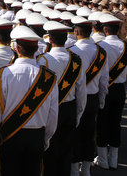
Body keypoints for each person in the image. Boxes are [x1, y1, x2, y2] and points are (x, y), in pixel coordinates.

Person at [0, 26, 58, 176]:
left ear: (16, 48)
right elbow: (53, 113)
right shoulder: (49, 77)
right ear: (36, 49)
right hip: (37, 134)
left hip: (10, 134)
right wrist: (46, 137)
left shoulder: (5, 74)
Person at [37, 21, 86, 176]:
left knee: (50, 151)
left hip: (48, 109)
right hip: (69, 108)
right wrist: (78, 114)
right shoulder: (76, 60)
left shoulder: (43, 60)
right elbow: (81, 90)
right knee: (66, 151)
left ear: (50, 39)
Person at [94, 14, 127, 171]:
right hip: (118, 89)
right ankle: (114, 159)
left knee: (102, 123)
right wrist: (124, 90)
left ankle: (102, 159)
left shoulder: (100, 47)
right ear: (118, 30)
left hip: (103, 89)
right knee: (116, 122)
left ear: (105, 29)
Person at [69, 16, 108, 176]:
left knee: (74, 135)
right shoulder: (100, 52)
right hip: (92, 97)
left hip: (75, 98)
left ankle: (73, 169)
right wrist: (102, 100)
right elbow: (104, 80)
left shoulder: (71, 51)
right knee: (89, 134)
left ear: (76, 32)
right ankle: (86, 169)